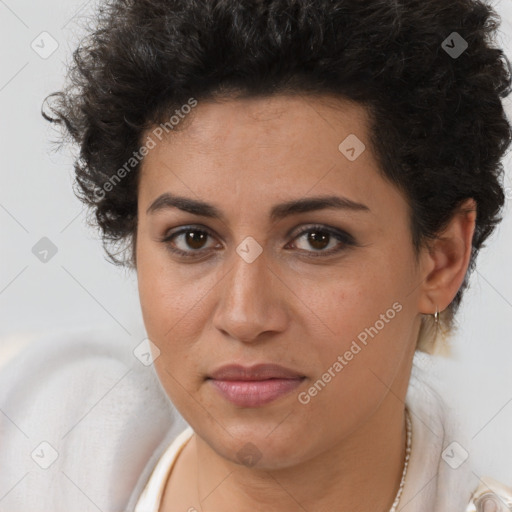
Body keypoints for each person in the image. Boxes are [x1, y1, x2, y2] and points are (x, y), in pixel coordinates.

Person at [1, 0, 512, 511]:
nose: (245, 317)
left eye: (317, 239)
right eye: (193, 239)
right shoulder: (37, 455)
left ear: (441, 259)